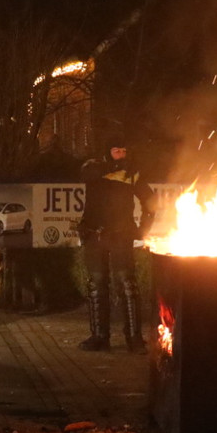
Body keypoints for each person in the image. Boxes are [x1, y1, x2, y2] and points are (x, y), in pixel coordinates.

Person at [77, 134, 155, 352]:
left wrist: (143, 228)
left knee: (127, 284)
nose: (121, 155)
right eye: (116, 151)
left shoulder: (132, 174)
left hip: (121, 234)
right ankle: (99, 337)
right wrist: (114, 166)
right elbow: (87, 173)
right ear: (108, 152)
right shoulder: (93, 167)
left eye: (124, 151)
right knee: (96, 284)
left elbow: (151, 201)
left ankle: (134, 338)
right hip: (94, 234)